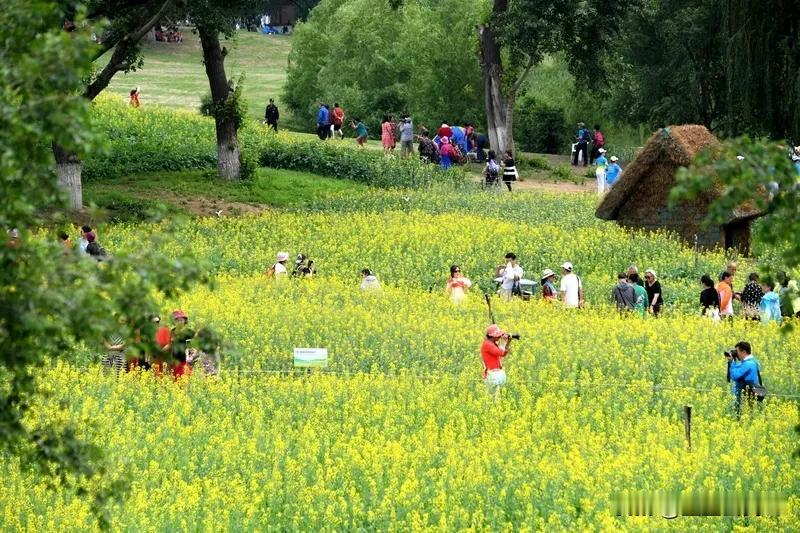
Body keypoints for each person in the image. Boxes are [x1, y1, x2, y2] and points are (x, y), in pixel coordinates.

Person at [726, 341, 763, 412]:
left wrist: (732, 362)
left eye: (737, 351)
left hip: (745, 396)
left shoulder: (748, 364)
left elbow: (734, 375)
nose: (736, 354)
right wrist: (731, 361)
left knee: (742, 414)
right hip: (749, 394)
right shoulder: (753, 361)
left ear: (743, 352)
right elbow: (738, 369)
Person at [481, 324, 513, 400]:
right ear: (492, 336)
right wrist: (503, 342)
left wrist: (507, 342)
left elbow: (504, 353)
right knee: (492, 399)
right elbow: (500, 353)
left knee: (499, 398)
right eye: (498, 335)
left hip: (498, 373)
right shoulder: (487, 344)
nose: (499, 336)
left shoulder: (493, 344)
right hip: (492, 374)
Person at [169, 309, 195, 379]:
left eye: (181, 320)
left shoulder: (190, 332)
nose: (180, 322)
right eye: (177, 320)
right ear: (174, 322)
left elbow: (194, 348)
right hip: (173, 363)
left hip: (185, 363)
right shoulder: (171, 332)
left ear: (185, 321)